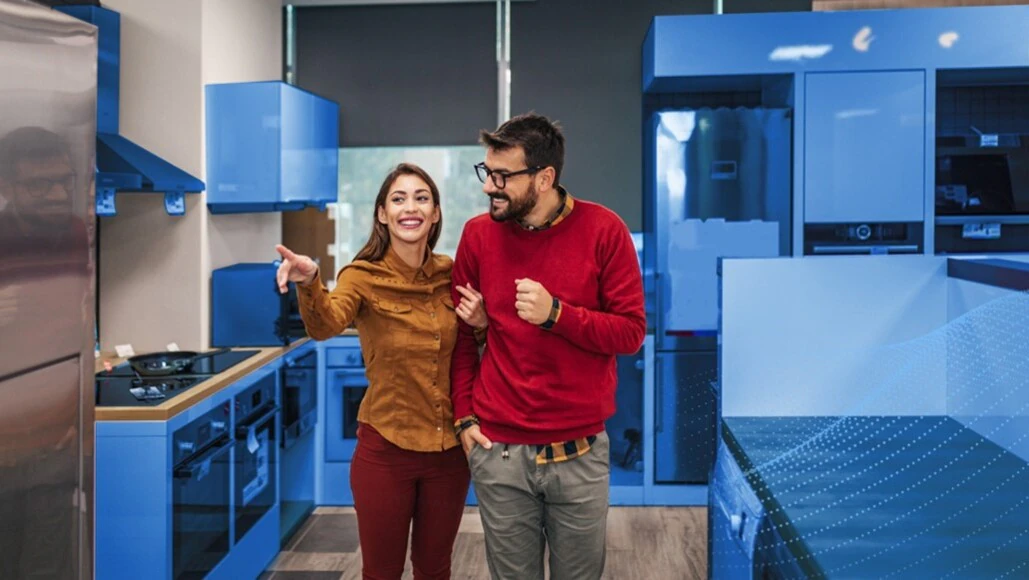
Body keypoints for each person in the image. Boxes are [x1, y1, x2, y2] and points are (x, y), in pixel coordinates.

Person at [450, 113, 646, 580]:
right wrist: (464, 417)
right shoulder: (477, 235)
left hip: (579, 454)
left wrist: (557, 314)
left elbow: (630, 332)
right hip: (499, 452)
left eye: (502, 176)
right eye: (486, 172)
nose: (489, 187)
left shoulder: (604, 230)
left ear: (544, 178)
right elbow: (460, 336)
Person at [275, 163, 487, 580]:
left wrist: (481, 325)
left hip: (448, 453)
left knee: (435, 569)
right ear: (382, 214)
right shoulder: (362, 276)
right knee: (381, 572)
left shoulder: (453, 274)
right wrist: (311, 281)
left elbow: (471, 352)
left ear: (437, 213)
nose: (411, 207)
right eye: (399, 198)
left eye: (422, 197)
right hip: (385, 452)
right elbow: (325, 324)